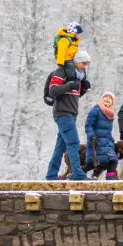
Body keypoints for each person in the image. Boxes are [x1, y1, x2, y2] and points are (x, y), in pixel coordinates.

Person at [45, 50, 92, 181]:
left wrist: (82, 89)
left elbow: (72, 96)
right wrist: (70, 85)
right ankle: (77, 173)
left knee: (61, 146)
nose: (85, 67)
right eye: (83, 63)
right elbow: (53, 90)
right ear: (76, 61)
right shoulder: (62, 71)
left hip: (71, 114)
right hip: (62, 113)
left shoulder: (78, 76)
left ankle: (51, 175)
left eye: (87, 64)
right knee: (74, 142)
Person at [85, 91, 120, 180]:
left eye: (110, 98)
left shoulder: (111, 114)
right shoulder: (95, 110)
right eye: (106, 97)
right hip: (96, 141)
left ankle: (110, 182)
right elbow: (88, 125)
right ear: (101, 99)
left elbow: (107, 131)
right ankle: (75, 175)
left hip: (107, 143)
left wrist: (111, 140)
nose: (107, 99)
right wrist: (91, 135)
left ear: (112, 102)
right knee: (93, 163)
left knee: (113, 161)